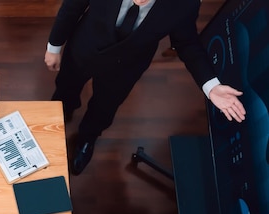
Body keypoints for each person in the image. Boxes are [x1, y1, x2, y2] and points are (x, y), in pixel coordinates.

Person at [44, 0, 247, 175]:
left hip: (126, 65)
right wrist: (54, 47)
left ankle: (87, 138)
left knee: (104, 107)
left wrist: (211, 85)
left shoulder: (185, 3)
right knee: (66, 87)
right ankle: (64, 109)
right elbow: (72, 7)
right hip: (84, 50)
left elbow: (187, 43)